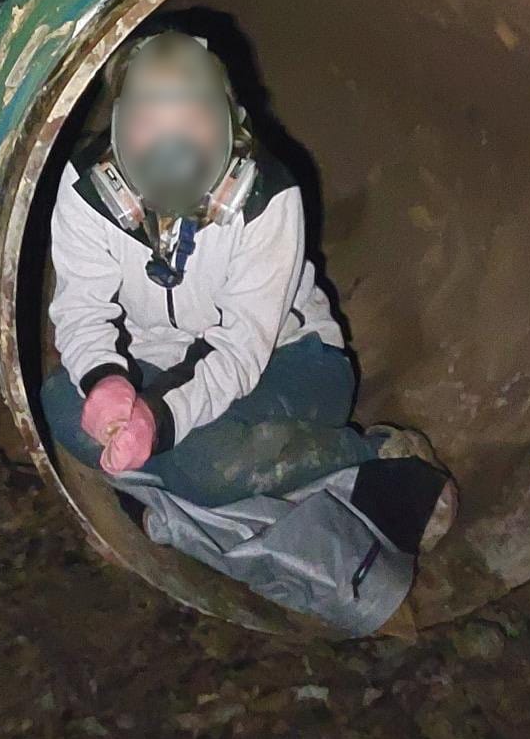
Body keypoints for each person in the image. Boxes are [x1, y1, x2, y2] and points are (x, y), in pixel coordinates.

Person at [39, 29, 456, 554]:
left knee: (206, 466)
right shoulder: (87, 193)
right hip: (159, 363)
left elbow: (238, 352)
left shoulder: (267, 198)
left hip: (289, 363)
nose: (171, 149)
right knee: (59, 401)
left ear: (230, 125)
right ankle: (198, 485)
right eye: (148, 124)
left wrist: (161, 420)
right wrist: (105, 380)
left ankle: (372, 455)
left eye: (192, 121)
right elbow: (79, 309)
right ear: (118, 124)